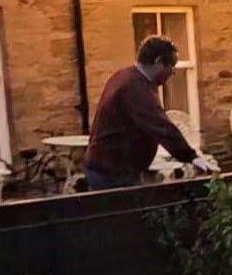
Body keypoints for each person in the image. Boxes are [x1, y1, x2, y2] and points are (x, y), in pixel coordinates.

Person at [84, 35, 216, 190]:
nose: (172, 72)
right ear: (159, 62)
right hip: (112, 172)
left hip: (110, 167)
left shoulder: (125, 76)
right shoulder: (135, 88)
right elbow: (161, 126)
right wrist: (191, 157)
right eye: (171, 66)